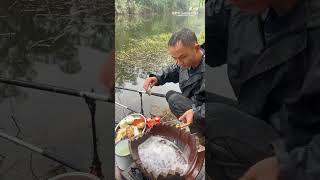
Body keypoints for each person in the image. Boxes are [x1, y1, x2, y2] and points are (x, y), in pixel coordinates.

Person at [204, 0, 320, 180]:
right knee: (201, 107)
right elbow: (209, 43)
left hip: (298, 148)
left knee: (211, 116)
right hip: (259, 116)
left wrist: (290, 167)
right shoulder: (240, 9)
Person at [143, 28, 205, 133]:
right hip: (195, 103)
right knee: (170, 95)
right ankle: (192, 126)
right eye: (174, 58)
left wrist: (195, 113)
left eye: (181, 57)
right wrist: (157, 78)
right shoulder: (184, 61)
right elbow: (174, 69)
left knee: (174, 99)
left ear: (196, 48)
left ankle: (200, 133)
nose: (179, 62)